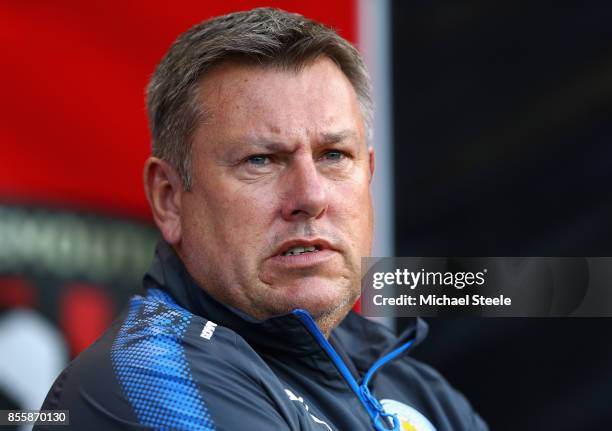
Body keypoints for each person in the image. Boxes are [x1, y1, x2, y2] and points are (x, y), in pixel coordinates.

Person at [36, 8, 488, 431]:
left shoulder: (417, 389)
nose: (310, 197)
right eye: (261, 160)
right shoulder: (149, 375)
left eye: (333, 155)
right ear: (169, 198)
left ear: (369, 173)